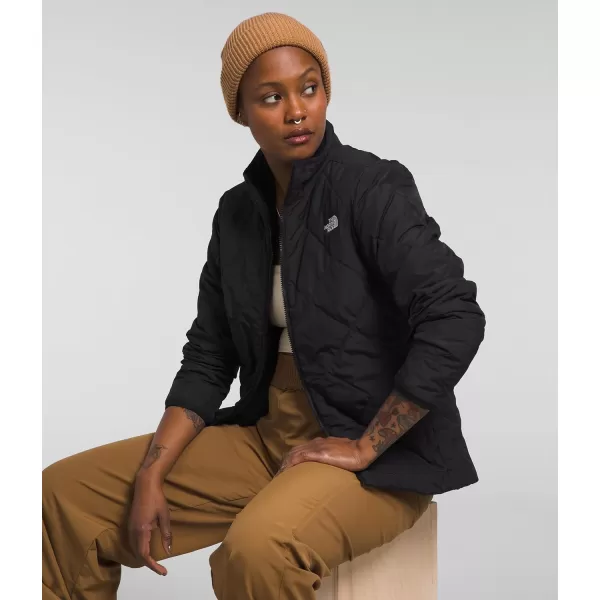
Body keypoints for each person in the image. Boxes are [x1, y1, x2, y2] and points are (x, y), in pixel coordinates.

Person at [42, 11, 486, 600]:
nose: (297, 111)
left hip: (378, 454)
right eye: (271, 97)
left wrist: (366, 445)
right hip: (267, 434)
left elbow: (455, 314)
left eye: (310, 87)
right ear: (241, 111)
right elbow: (210, 354)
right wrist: (152, 471)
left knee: (257, 553)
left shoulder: (371, 186)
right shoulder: (237, 213)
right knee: (62, 498)